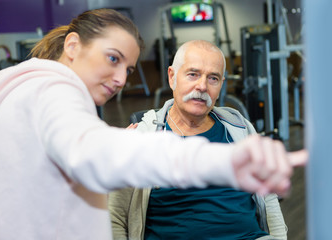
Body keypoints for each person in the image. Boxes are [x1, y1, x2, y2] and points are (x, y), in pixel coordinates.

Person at [0, 8, 306, 240]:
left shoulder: (16, 84)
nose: (119, 80)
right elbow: (89, 154)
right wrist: (224, 160)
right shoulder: (54, 92)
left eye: (128, 69)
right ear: (72, 46)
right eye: (113, 59)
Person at [108, 40, 288, 240]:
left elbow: (269, 200)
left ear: (221, 85)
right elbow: (115, 218)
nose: (202, 86)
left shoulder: (239, 128)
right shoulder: (142, 136)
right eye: (193, 74)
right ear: (172, 76)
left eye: (213, 78)